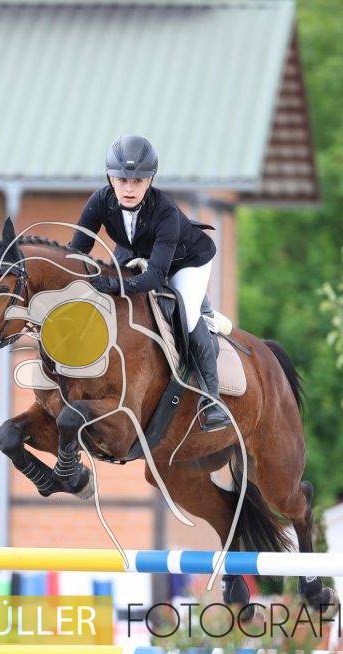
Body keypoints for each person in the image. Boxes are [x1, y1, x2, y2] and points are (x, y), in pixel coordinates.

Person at [66, 135, 231, 432]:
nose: (129, 189)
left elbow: (155, 277)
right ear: (110, 178)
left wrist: (111, 284)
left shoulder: (165, 210)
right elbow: (76, 252)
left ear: (150, 180)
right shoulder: (100, 201)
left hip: (186, 261)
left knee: (187, 317)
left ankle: (212, 400)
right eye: (122, 180)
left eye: (138, 181)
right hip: (138, 251)